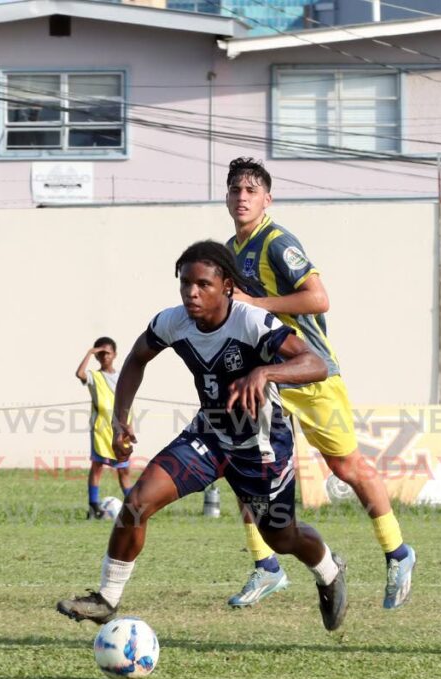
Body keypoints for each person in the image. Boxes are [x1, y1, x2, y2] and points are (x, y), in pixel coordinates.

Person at [57, 241, 348, 632]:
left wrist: (264, 373)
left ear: (227, 285)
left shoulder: (250, 322)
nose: (192, 293)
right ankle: (106, 599)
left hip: (261, 445)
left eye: (203, 285)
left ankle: (329, 570)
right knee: (138, 501)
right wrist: (120, 419)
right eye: (185, 284)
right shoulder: (173, 321)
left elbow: (315, 363)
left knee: (281, 537)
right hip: (208, 437)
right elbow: (137, 357)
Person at [222, 156, 415, 611]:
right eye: (235, 189)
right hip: (266, 381)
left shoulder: (278, 241)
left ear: (267, 198)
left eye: (251, 190)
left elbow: (318, 297)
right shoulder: (230, 249)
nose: (242, 197)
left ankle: (398, 552)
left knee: (347, 467)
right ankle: (266, 566)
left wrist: (256, 301)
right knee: (242, 466)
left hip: (310, 372)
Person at [75, 337, 134, 519]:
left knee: (124, 469)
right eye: (100, 354)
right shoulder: (95, 377)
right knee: (98, 466)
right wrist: (89, 352)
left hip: (120, 429)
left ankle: (134, 506)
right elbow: (80, 374)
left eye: (107, 353)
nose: (104, 357)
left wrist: (130, 427)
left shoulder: (122, 376)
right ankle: (94, 506)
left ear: (114, 355)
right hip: (101, 429)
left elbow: (129, 403)